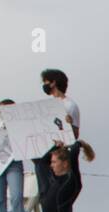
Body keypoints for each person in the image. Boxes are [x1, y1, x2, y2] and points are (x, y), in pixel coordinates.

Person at [38, 139, 95, 212]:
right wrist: (54, 147)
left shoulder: (71, 182)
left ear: (65, 163)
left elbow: (73, 158)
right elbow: (41, 165)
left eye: (54, 162)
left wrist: (77, 144)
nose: (51, 165)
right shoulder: (50, 182)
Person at [34, 69, 80, 203]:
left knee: (58, 187)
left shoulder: (70, 105)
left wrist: (69, 125)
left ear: (53, 82)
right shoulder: (46, 107)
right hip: (44, 150)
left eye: (46, 82)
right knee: (44, 186)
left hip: (60, 151)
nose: (44, 85)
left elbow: (75, 133)